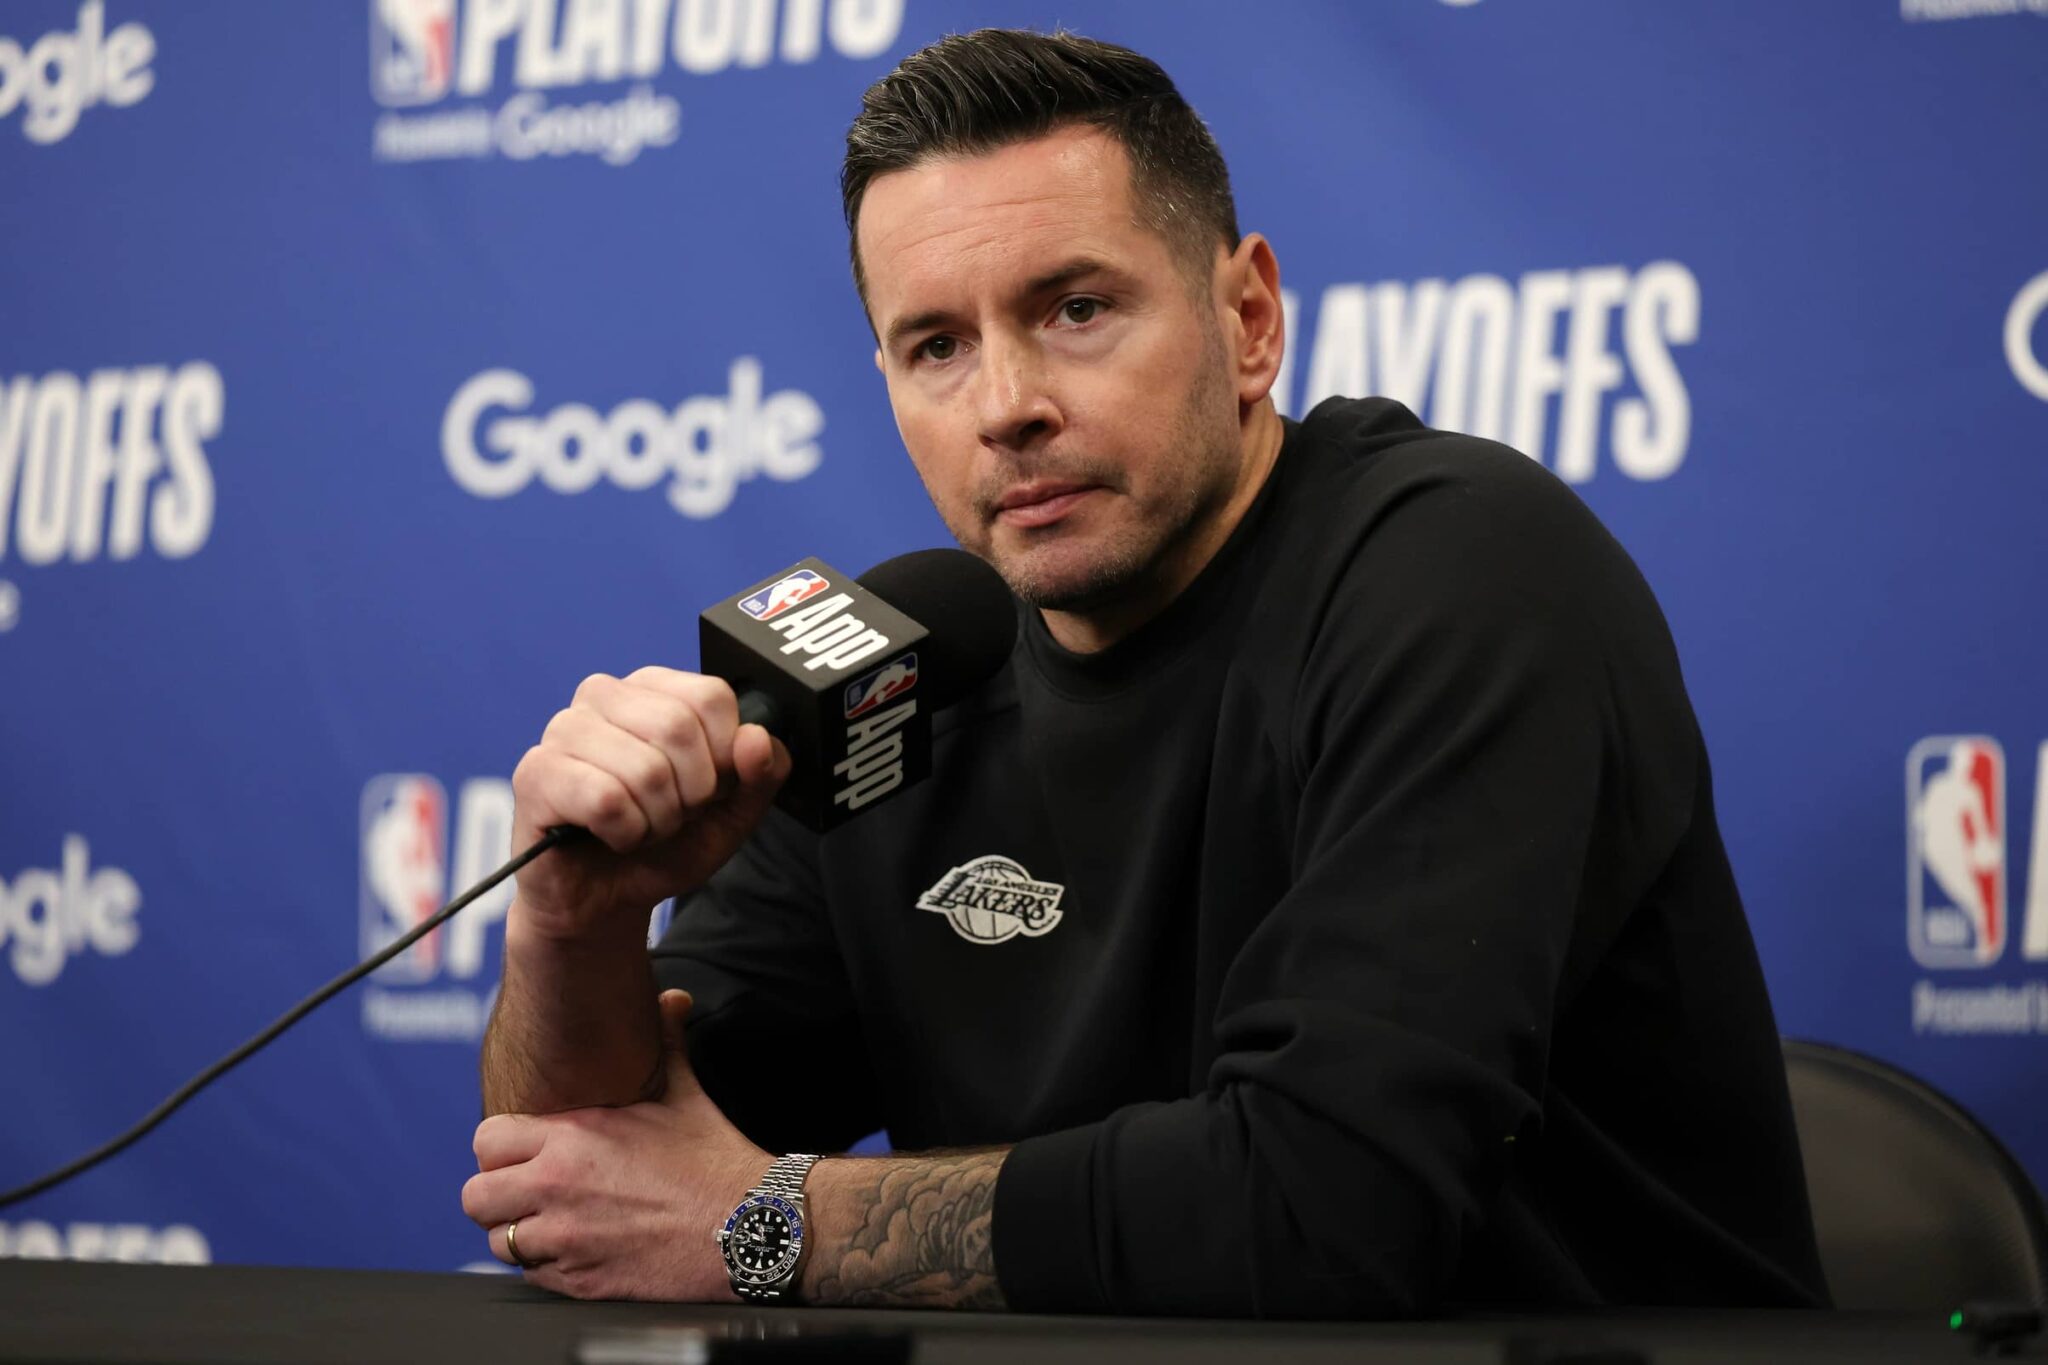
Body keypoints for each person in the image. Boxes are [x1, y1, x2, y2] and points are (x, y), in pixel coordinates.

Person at [459, 29, 1830, 1317]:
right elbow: (590, 1178)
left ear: (1248, 321)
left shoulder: (1460, 571)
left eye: (1073, 309)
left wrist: (765, 1222)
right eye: (935, 345)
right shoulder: (891, 666)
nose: (1006, 405)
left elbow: (1330, 1208)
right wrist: (572, 925)